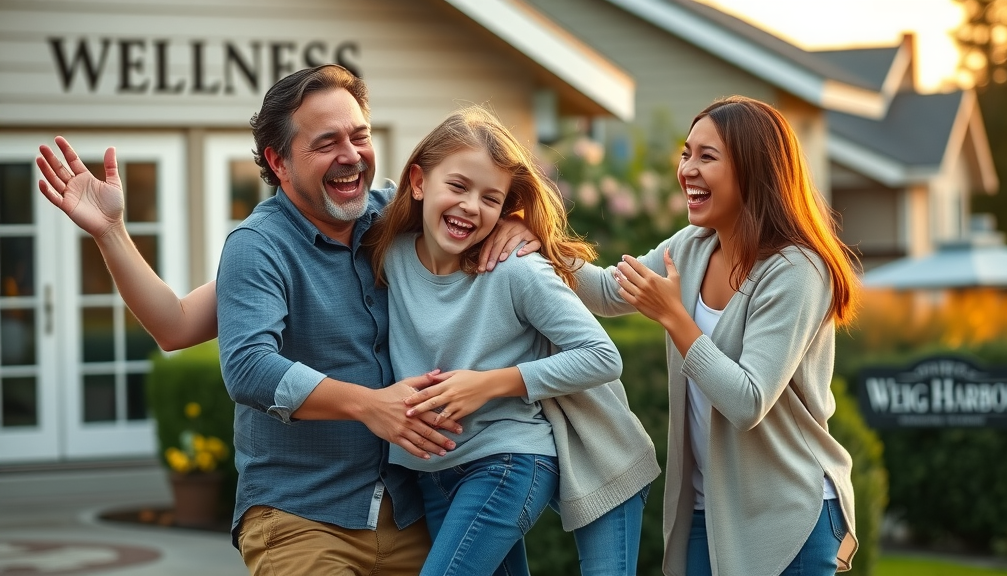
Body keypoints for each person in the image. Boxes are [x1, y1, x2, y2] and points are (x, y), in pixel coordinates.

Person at [37, 75, 659, 574]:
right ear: (278, 162)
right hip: (303, 514)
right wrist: (113, 232)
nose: (351, 155)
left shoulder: (389, 217)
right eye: (326, 142)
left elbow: (472, 194)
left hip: (411, 506)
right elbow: (205, 341)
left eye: (358, 136)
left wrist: (514, 225)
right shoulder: (261, 247)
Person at [571, 95, 860, 576]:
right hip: (709, 512)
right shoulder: (691, 247)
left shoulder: (797, 269)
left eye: (707, 156)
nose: (687, 169)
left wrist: (676, 320)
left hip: (788, 516)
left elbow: (747, 400)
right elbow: (605, 290)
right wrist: (532, 239)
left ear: (754, 171)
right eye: (686, 154)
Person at [364, 105, 659, 576]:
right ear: (418, 182)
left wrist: (488, 384)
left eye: (490, 199)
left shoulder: (516, 268)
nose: (470, 207)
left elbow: (602, 356)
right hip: (431, 473)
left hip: (506, 463)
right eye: (457, 186)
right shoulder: (389, 247)